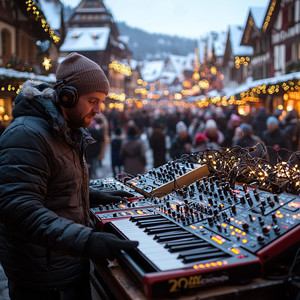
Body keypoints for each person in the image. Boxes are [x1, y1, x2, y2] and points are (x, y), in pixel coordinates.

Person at [0, 52, 138, 300]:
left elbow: (57, 187)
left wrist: (94, 195)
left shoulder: (67, 132)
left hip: (67, 268)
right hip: (43, 282)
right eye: (93, 100)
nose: (98, 110)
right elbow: (18, 208)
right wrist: (87, 241)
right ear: (67, 96)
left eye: (101, 101)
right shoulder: (26, 135)